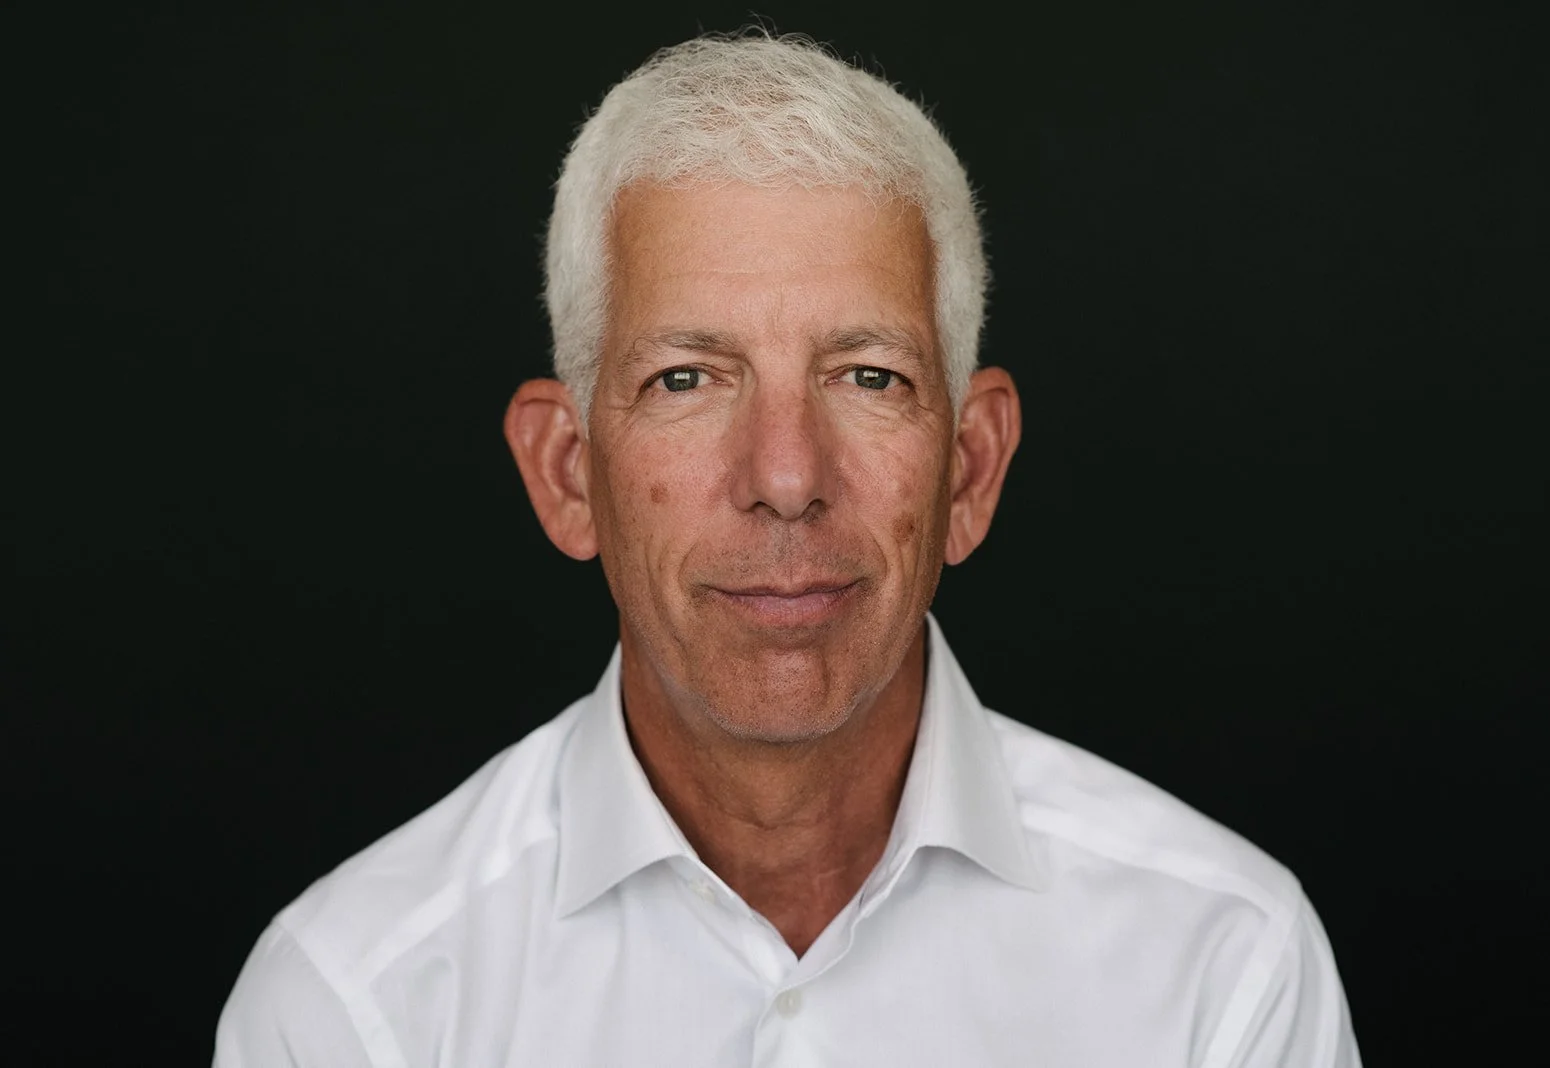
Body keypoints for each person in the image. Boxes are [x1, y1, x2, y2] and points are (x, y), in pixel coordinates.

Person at [214, 29, 1361, 1067]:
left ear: (969, 467)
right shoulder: (352, 1012)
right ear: (569, 474)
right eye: (687, 378)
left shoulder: (1223, 967)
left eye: (869, 376)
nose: (785, 479)